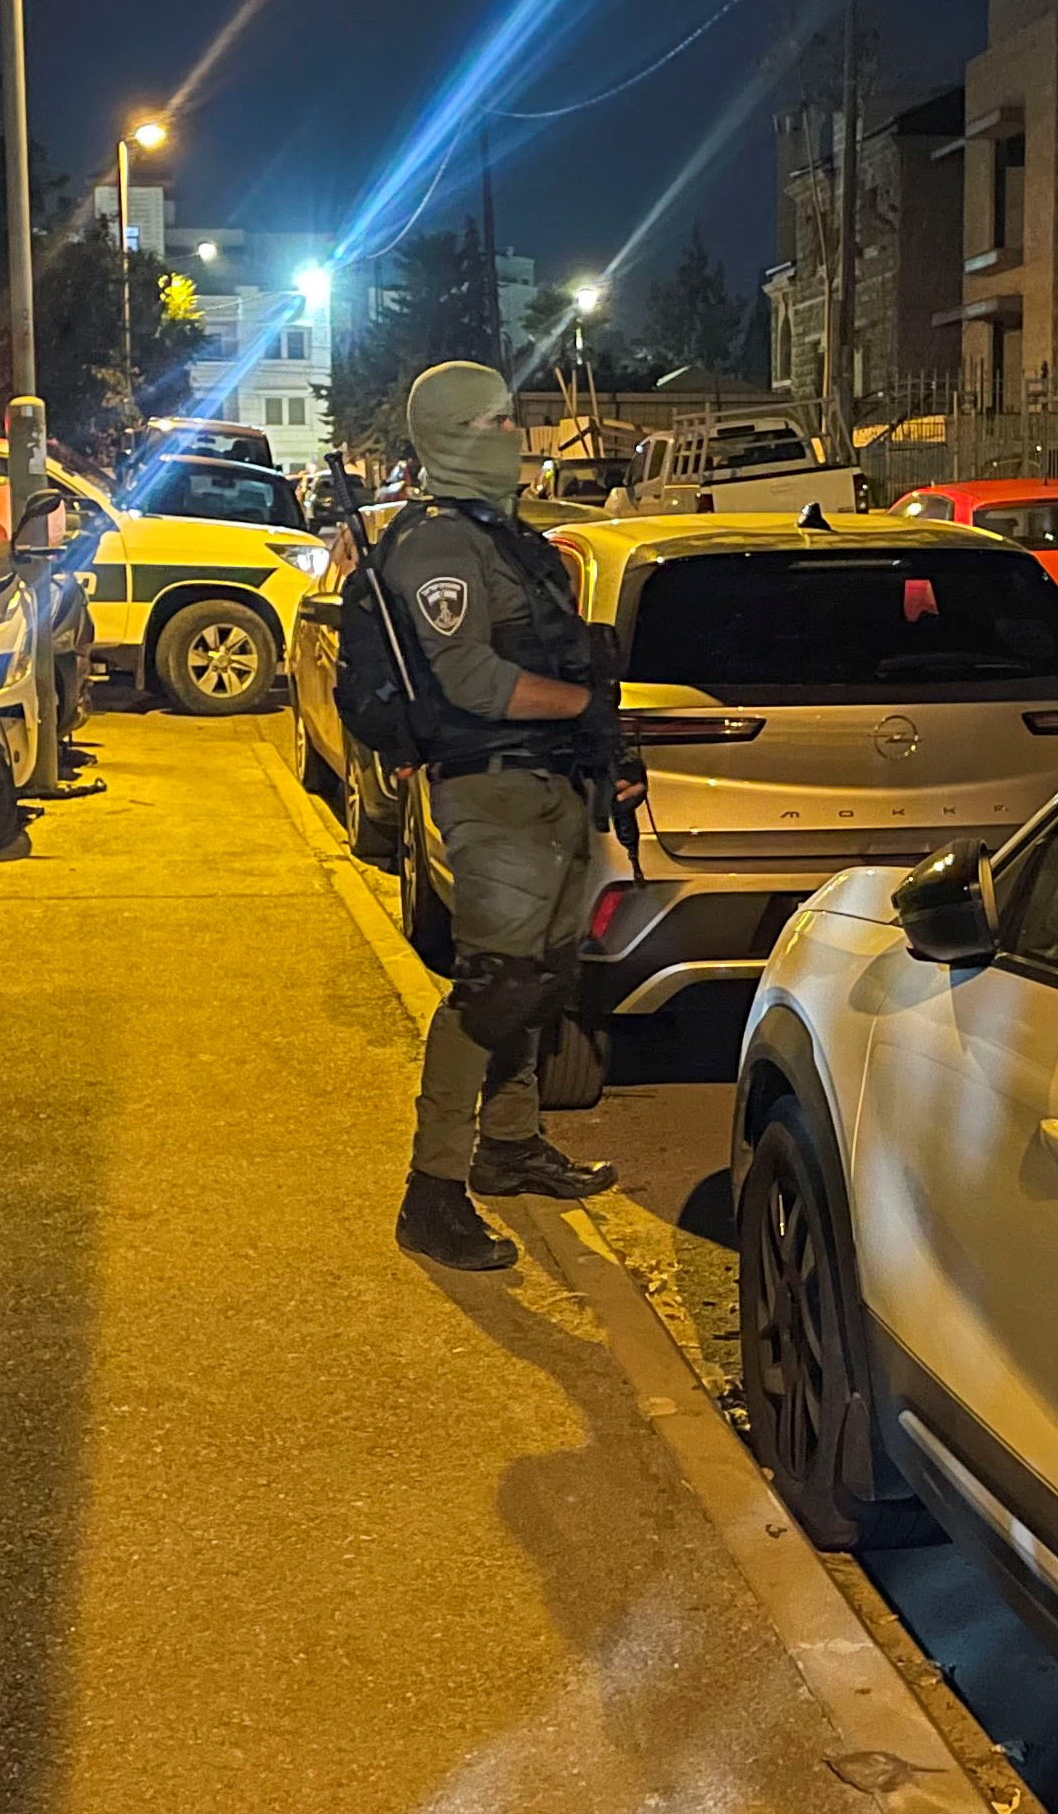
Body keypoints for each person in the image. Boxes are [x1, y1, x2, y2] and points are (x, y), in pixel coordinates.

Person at [376, 361, 624, 1271]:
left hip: (550, 785)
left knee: (544, 975)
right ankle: (430, 1193)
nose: (511, 437)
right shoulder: (440, 545)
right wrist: (581, 709)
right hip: (491, 790)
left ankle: (508, 1146)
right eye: (491, 421)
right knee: (495, 986)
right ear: (444, 433)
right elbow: (470, 678)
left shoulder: (505, 534)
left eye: (510, 419)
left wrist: (600, 743)